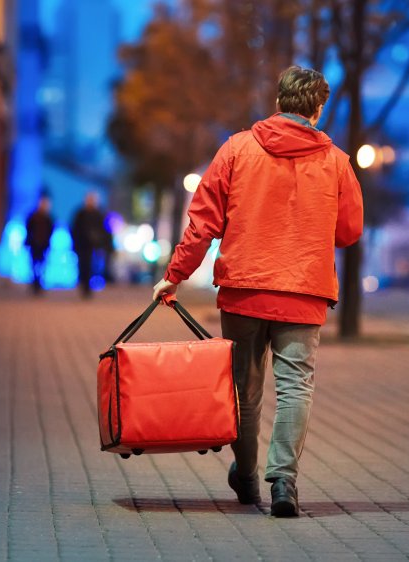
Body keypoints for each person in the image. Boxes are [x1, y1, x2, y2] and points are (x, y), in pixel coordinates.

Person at [152, 66, 363, 517]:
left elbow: (202, 221)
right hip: (304, 292)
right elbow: (349, 231)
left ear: (279, 101)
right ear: (318, 109)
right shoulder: (337, 162)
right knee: (295, 386)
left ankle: (246, 478)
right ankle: (283, 482)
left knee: (244, 389)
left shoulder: (236, 149)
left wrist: (175, 274)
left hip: (244, 289)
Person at [71, 192, 111, 299]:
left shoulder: (98, 214)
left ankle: (88, 288)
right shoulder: (80, 214)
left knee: (91, 267)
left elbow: (104, 231)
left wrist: (102, 245)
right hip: (82, 246)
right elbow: (75, 229)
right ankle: (84, 286)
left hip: (93, 247)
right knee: (82, 266)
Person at [25, 192, 54, 295]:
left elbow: (51, 231)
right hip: (34, 244)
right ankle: (35, 283)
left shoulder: (48, 218)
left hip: (43, 245)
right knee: (34, 264)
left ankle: (39, 283)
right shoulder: (33, 217)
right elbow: (28, 230)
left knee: (41, 264)